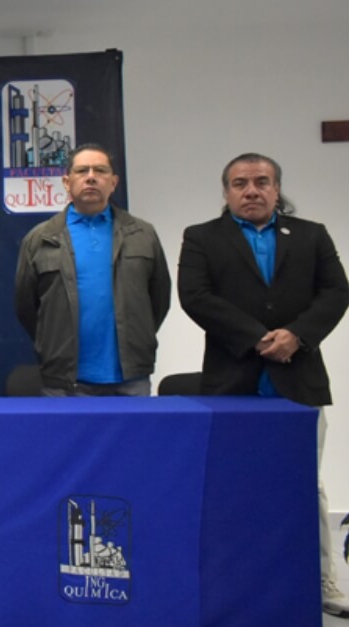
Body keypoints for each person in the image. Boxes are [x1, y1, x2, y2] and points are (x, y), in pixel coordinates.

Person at [178, 152, 349, 617]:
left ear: (277, 189)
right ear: (226, 191)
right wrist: (257, 339)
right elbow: (195, 296)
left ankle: (321, 579)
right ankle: (237, 580)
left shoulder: (311, 235)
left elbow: (336, 292)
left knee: (306, 484)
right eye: (240, 183)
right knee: (233, 484)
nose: (251, 190)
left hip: (299, 379)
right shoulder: (202, 238)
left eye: (261, 181)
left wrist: (297, 336)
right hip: (233, 381)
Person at [14, 144, 170, 396]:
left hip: (131, 379)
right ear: (67, 182)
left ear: (113, 182)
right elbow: (26, 307)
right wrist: (51, 342)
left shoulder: (143, 234)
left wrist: (138, 336)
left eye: (100, 170)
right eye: (81, 171)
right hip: (64, 379)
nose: (91, 177)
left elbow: (159, 299)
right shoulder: (41, 238)